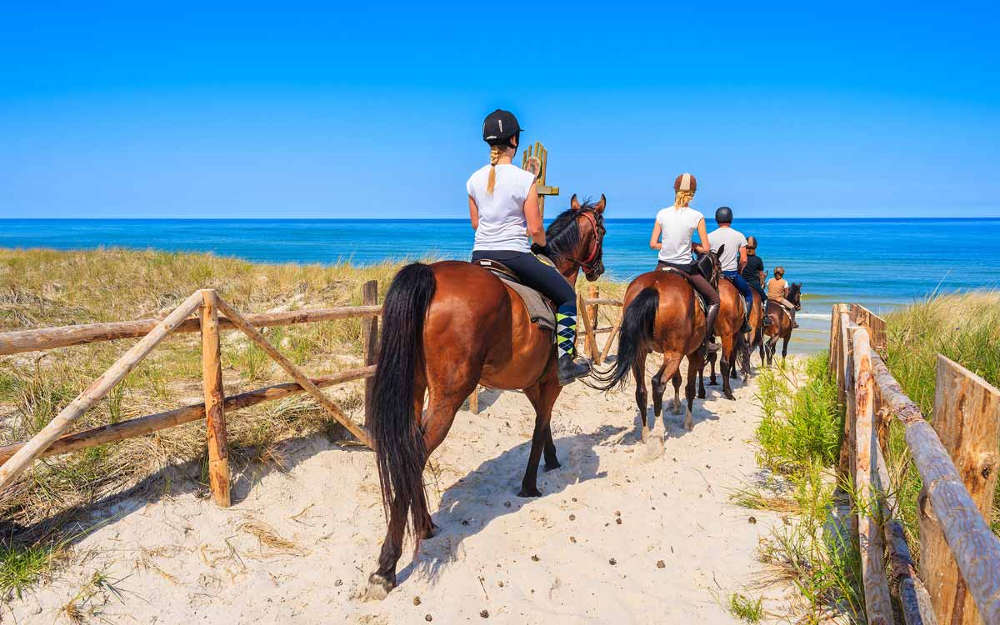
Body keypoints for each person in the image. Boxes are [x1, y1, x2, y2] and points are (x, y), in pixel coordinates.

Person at [467, 109, 590, 385]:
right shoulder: (524, 179)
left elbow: (476, 224)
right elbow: (535, 230)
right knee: (566, 296)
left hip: (479, 256)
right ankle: (565, 361)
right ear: (514, 140)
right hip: (513, 255)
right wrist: (542, 244)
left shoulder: (473, 180)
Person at [649, 172, 720, 343]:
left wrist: (666, 245)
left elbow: (653, 243)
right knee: (714, 300)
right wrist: (692, 246)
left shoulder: (662, 213)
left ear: (675, 190)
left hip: (662, 265)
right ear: (693, 194)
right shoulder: (697, 216)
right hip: (685, 268)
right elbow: (706, 248)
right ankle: (705, 341)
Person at [707, 207, 752, 333]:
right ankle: (745, 323)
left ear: (717, 219)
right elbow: (743, 259)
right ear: (731, 218)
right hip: (731, 275)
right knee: (748, 295)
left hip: (714, 276)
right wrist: (740, 270)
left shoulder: (709, 236)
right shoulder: (739, 236)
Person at [742, 236, 771, 326]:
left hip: (742, 283)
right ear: (755, 247)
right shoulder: (758, 260)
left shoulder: (741, 258)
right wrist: (762, 282)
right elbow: (761, 275)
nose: (749, 250)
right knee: (766, 299)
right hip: (754, 284)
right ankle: (766, 317)